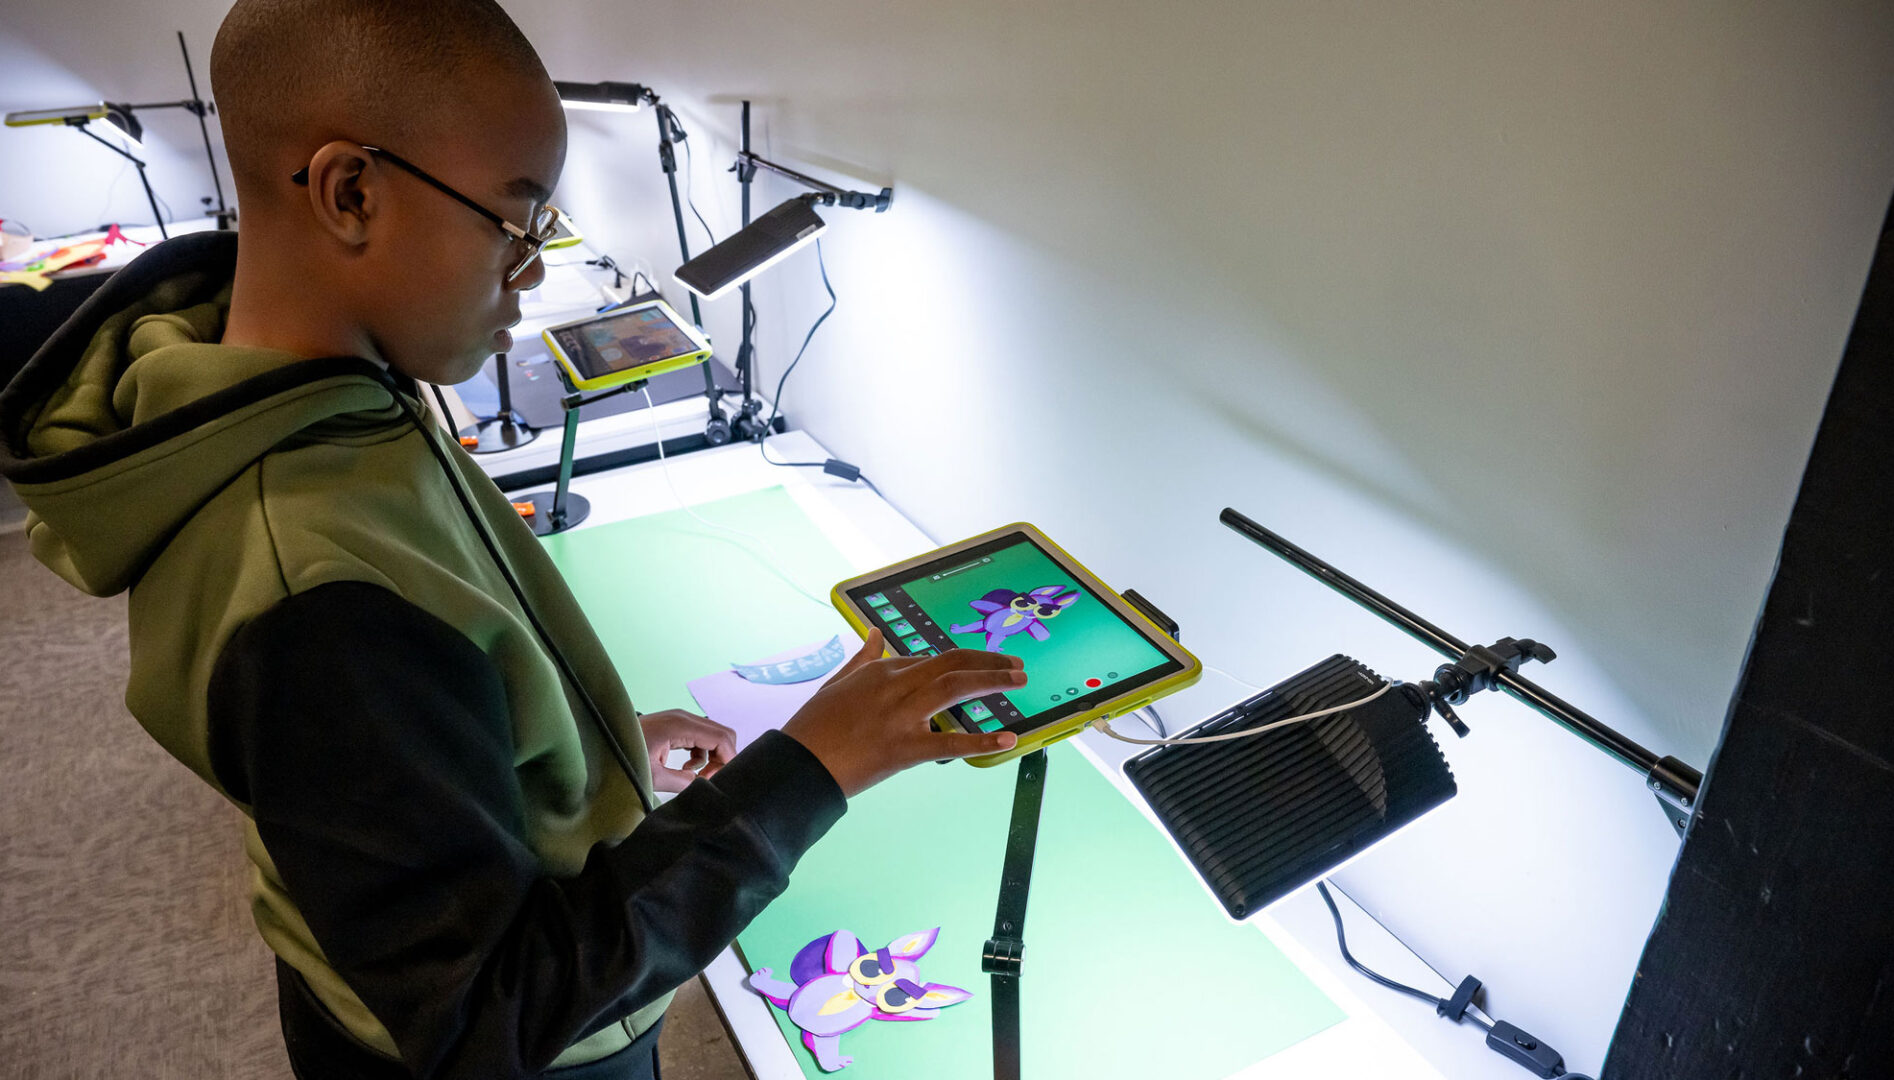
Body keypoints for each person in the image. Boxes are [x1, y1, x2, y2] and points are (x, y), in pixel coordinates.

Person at [0, 1, 1022, 1077]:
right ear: (354, 192)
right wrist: (809, 769)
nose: (531, 270)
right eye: (514, 219)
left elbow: (394, 731)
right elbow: (488, 1008)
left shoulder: (309, 398)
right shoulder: (318, 595)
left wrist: (550, 738)